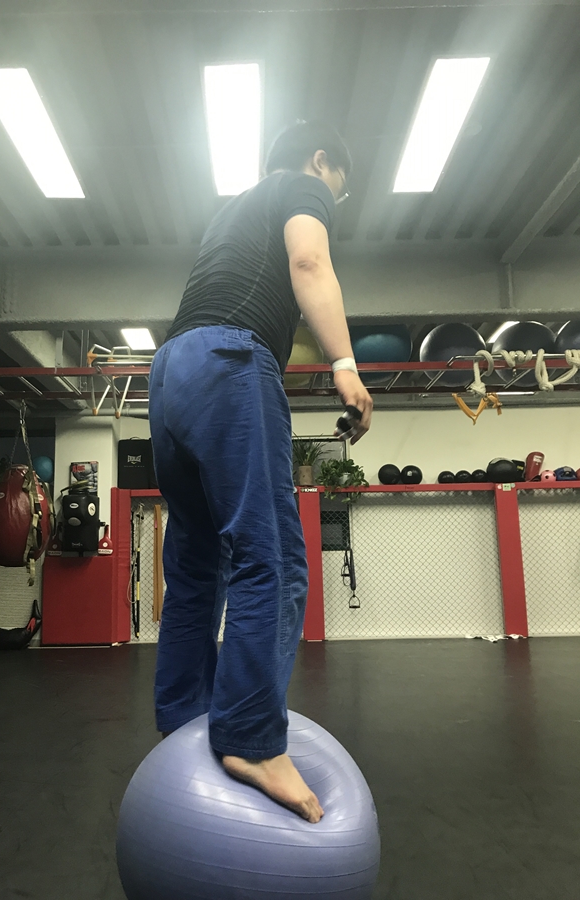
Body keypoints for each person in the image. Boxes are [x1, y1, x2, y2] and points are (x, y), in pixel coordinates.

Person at [148, 121, 373, 824]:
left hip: (170, 371)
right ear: (319, 161)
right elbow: (309, 261)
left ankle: (183, 718)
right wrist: (344, 364)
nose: (335, 196)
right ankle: (249, 736)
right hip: (228, 360)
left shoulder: (233, 209)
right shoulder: (302, 185)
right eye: (339, 184)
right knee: (271, 554)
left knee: (195, 563)